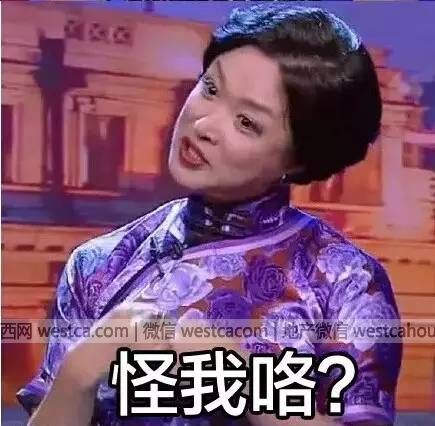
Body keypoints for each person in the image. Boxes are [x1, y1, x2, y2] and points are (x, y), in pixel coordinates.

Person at [17, 4, 402, 426]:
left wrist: (239, 377)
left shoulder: (345, 279)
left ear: (299, 159)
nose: (203, 125)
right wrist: (77, 377)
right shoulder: (100, 263)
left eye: (246, 122)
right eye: (211, 88)